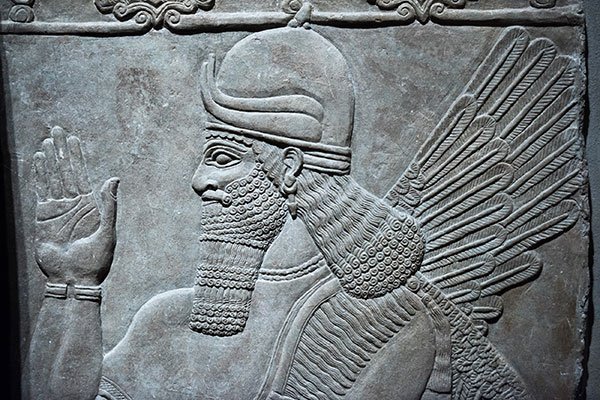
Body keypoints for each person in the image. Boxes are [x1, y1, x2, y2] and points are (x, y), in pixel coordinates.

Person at [29, 24, 530, 400]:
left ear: (289, 167)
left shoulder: (390, 324)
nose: (200, 181)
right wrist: (73, 284)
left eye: (221, 158)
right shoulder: (166, 319)